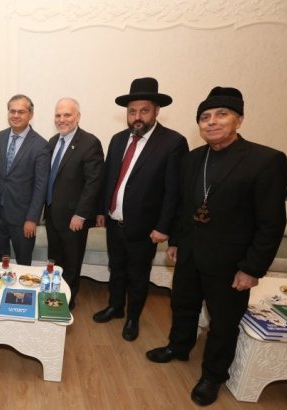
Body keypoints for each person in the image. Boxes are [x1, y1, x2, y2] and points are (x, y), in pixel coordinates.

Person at [146, 87, 287, 406]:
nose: (211, 122)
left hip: (231, 262)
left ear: (239, 119)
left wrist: (251, 269)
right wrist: (176, 242)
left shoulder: (266, 160)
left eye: (221, 115)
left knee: (223, 323)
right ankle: (179, 346)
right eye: (205, 117)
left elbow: (271, 223)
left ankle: (213, 375)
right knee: (182, 305)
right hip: (190, 252)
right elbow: (184, 205)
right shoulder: (193, 158)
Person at [93, 78, 189, 342]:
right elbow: (109, 178)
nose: (137, 117)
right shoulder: (118, 139)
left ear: (156, 111)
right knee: (117, 268)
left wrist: (163, 227)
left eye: (144, 110)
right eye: (132, 111)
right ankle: (115, 306)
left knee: (138, 276)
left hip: (145, 228)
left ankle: (133, 318)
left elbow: (174, 191)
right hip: (115, 222)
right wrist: (102, 210)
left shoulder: (172, 143)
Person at [44, 97, 103, 309]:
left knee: (71, 263)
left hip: (73, 219)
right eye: (58, 115)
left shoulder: (89, 143)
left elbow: (93, 183)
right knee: (55, 260)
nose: (62, 119)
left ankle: (66, 303)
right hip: (52, 215)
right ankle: (54, 296)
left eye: (67, 115)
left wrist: (81, 214)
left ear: (78, 117)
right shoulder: (52, 142)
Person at [0, 94, 50, 265]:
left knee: (23, 264)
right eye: (12, 111)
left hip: (23, 218)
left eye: (21, 112)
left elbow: (40, 186)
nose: (15, 115)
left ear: (30, 115)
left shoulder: (41, 145)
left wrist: (32, 218)